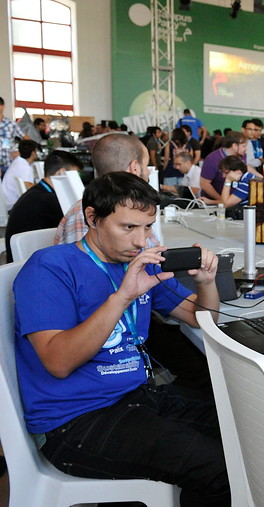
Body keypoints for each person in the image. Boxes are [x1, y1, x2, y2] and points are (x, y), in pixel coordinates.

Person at [14, 171, 229, 506]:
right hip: (76, 421)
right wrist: (123, 296)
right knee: (220, 468)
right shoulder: (50, 267)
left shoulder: (140, 262)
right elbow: (58, 363)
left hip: (137, 398)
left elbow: (202, 318)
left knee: (245, 430)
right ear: (92, 218)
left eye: (147, 227)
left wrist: (206, 282)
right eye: (128, 227)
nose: (141, 240)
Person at [54, 133, 152, 245]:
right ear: (134, 168)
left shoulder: (135, 208)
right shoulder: (87, 215)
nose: (148, 172)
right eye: (146, 165)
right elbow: (83, 261)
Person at [6, 150, 82, 261]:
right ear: (61, 173)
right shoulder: (49, 200)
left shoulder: (37, 192)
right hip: (30, 265)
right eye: (76, 175)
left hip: (22, 260)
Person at [200, 130, 247, 201]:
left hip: (233, 200)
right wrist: (221, 200)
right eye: (244, 146)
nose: (246, 149)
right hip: (213, 202)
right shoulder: (213, 159)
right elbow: (204, 183)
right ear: (234, 146)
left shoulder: (242, 156)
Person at [2, 139, 39, 209]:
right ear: (33, 153)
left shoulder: (17, 162)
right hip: (13, 206)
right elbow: (28, 186)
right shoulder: (25, 168)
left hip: (6, 202)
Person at [0, 96, 27, 178]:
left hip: (9, 163)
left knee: (9, 189)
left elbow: (26, 138)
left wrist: (21, 151)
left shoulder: (11, 124)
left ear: (3, 106)